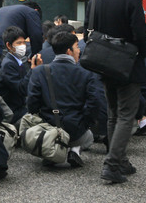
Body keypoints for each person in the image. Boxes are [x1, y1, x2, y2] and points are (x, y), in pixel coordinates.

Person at [84, 0, 146, 184]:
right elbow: (141, 35)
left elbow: (86, 32)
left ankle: (119, 159)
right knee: (126, 115)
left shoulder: (96, 0)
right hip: (127, 65)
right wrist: (143, 53)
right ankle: (112, 164)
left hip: (103, 64)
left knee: (113, 114)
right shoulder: (131, 0)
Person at [27, 31, 100, 167]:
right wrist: (85, 123)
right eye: (77, 47)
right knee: (88, 137)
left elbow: (32, 103)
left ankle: (51, 150)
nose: (79, 50)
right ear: (69, 51)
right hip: (75, 129)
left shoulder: (39, 72)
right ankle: (74, 150)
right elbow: (94, 103)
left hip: (48, 127)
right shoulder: (85, 74)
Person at [0, 26, 43, 122]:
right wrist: (33, 69)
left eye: (24, 42)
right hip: (12, 111)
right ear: (9, 46)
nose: (23, 46)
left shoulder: (17, 61)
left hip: (19, 106)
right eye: (19, 43)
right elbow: (22, 89)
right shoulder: (8, 64)